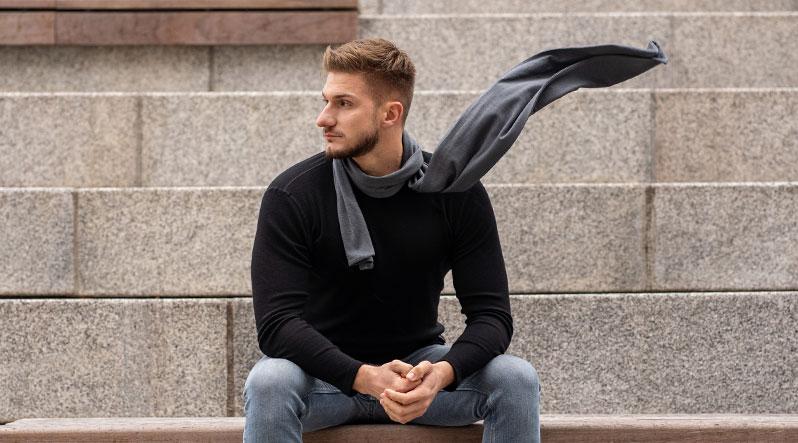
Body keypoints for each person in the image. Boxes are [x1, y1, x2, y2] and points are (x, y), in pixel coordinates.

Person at [243, 37, 541, 443]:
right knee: (270, 380)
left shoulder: (456, 192)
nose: (323, 118)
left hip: (418, 375)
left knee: (515, 377)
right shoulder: (293, 195)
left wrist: (443, 373)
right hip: (322, 381)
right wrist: (364, 377)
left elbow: (492, 316)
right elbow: (277, 326)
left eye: (343, 104)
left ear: (390, 113)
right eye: (326, 101)